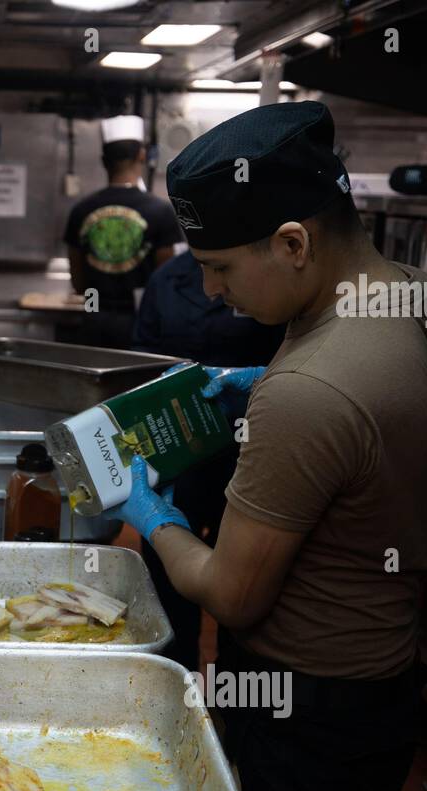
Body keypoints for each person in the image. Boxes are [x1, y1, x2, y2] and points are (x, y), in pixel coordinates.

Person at [104, 101, 427, 791]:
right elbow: (372, 431)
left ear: (293, 243)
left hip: (305, 704)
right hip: (385, 683)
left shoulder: (308, 390)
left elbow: (232, 595)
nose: (208, 291)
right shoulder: (424, 302)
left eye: (221, 268)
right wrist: (268, 378)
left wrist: (150, 513)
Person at [131, 251, 285, 671]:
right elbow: (141, 356)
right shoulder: (166, 280)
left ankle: (234, 687)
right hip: (177, 455)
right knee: (167, 580)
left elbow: (299, 357)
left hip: (251, 456)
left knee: (247, 588)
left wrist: (260, 379)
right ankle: (176, 679)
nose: (213, 284)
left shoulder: (268, 278)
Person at [61, 115, 183, 349]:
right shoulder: (160, 211)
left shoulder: (81, 210)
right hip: (142, 320)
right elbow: (166, 277)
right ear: (141, 155)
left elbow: (78, 282)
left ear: (103, 160)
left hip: (93, 315)